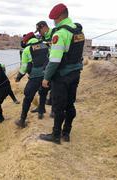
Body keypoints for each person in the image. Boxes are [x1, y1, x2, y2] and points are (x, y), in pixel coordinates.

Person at [40, 3, 85, 144]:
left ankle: (55, 135)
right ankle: (66, 133)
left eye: (54, 19)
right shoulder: (77, 31)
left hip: (62, 76)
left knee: (59, 106)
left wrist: (46, 78)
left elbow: (54, 61)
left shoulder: (60, 33)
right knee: (70, 104)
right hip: (75, 73)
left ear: (59, 17)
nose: (53, 21)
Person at [14, 32, 50, 128]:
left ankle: (22, 120)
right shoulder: (45, 45)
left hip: (35, 77)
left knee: (28, 97)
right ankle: (41, 111)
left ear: (26, 41)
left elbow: (24, 67)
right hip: (47, 75)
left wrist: (18, 77)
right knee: (43, 93)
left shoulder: (26, 50)